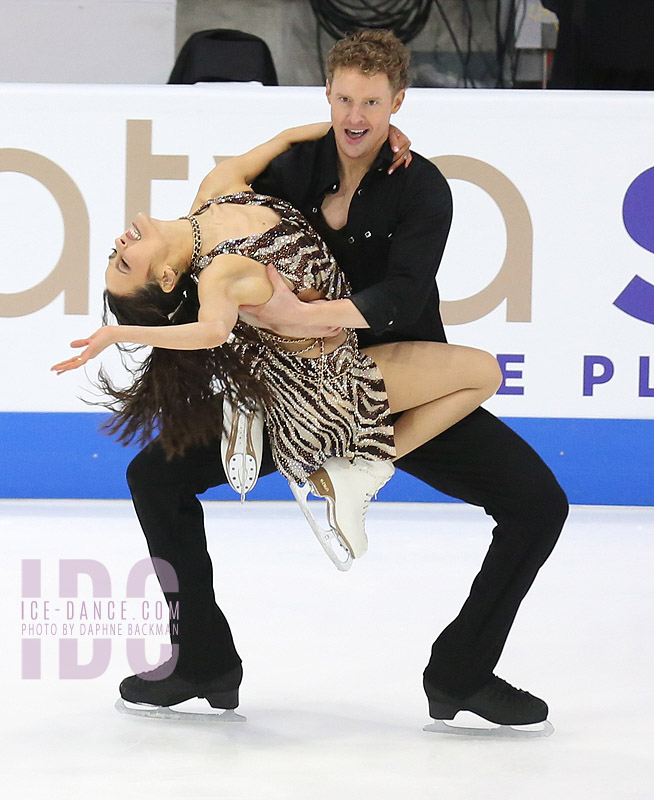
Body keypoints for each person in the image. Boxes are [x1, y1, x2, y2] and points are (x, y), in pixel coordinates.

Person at [64, 29, 566, 728]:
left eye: (372, 103)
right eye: (344, 100)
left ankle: (461, 670)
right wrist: (274, 325)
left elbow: (399, 295)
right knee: (155, 476)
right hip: (293, 387)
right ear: (327, 95)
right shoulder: (293, 169)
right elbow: (218, 278)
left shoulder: (422, 189)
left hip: (395, 376)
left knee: (539, 504)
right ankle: (203, 659)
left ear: (397, 103)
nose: (356, 117)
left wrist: (314, 317)